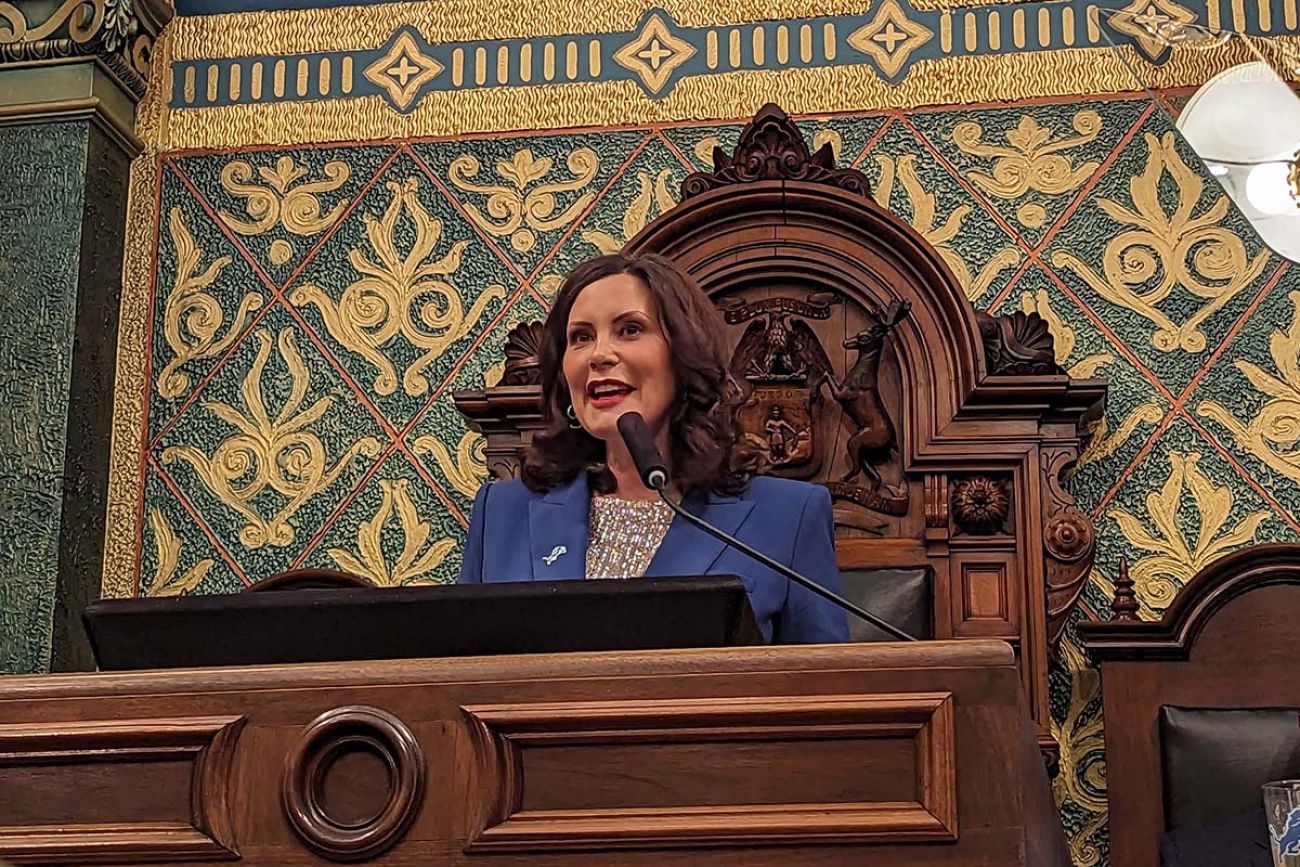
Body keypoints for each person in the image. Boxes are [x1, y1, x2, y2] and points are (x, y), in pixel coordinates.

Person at [458, 252, 849, 644]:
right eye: (581, 337)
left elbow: (824, 692)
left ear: (683, 356)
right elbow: (458, 680)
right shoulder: (501, 514)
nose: (600, 355)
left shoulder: (788, 517)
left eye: (630, 330)